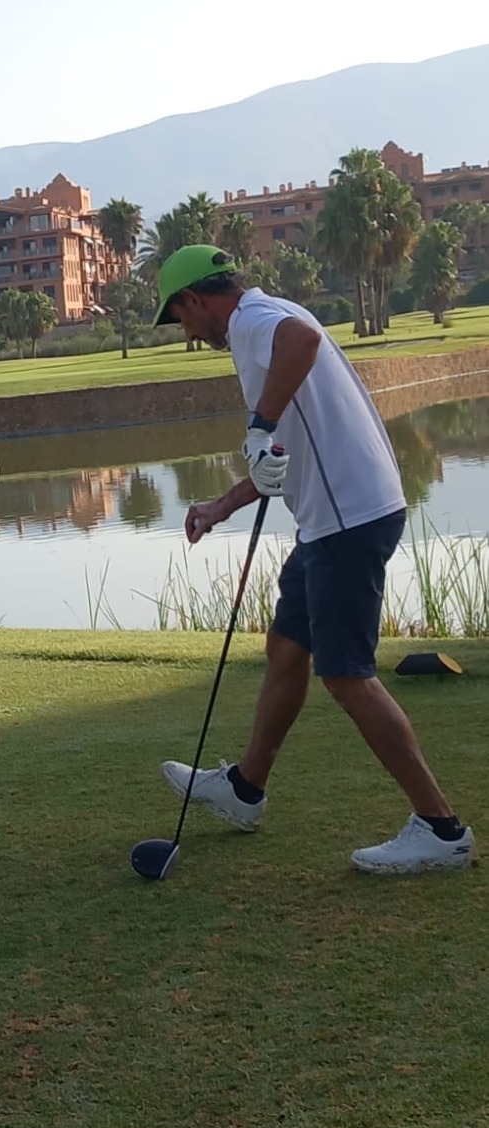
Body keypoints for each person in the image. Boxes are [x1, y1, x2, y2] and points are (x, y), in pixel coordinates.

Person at [151, 244, 473, 874]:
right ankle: (246, 789)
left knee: (346, 674)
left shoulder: (255, 322)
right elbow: (282, 456)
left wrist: (257, 425)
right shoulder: (269, 314)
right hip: (336, 516)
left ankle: (442, 829)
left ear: (196, 298)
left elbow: (302, 344)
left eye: (180, 316)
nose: (186, 332)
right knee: (287, 646)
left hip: (348, 518)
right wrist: (221, 505)